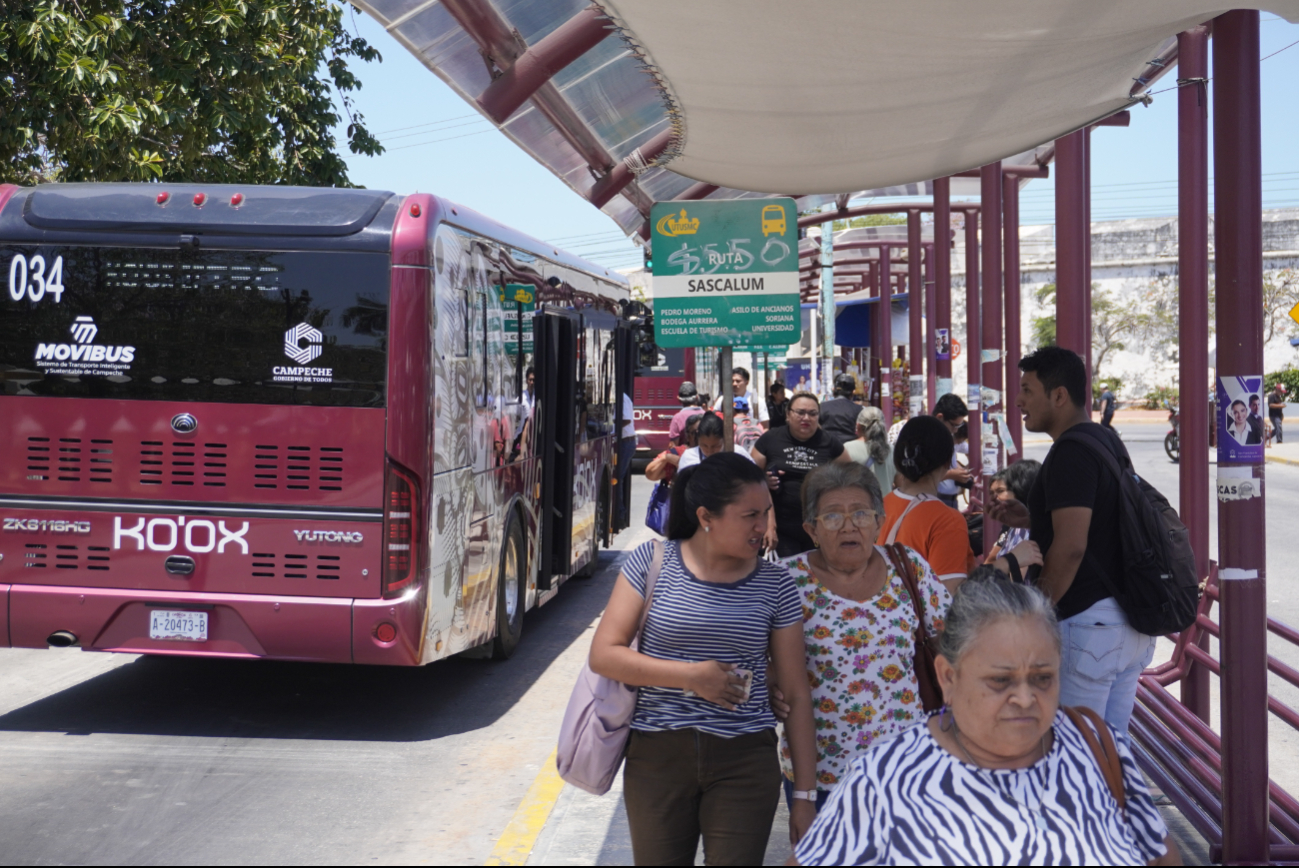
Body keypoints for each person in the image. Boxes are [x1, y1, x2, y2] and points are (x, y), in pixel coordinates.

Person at [792, 578, 1180, 866]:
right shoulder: (884, 778)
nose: (1026, 698)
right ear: (948, 677)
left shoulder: (1096, 745)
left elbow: (1159, 855)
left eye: (1043, 677)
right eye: (1000, 680)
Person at [588, 453, 819, 865]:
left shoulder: (777, 584)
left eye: (766, 513)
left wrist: (804, 795)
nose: (763, 527)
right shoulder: (652, 561)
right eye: (750, 515)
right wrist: (691, 677)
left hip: (746, 760)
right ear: (705, 516)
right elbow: (605, 655)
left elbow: (797, 694)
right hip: (657, 756)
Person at [989, 345, 1155, 732]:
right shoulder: (1103, 440)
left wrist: (1039, 610)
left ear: (1058, 395)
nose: (1018, 401)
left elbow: (1073, 546)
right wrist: (1033, 519)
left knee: (1077, 755)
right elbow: (1099, 527)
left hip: (1090, 629)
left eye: (1028, 390)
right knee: (1112, 755)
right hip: (1124, 625)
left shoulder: (1069, 454)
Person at [771, 463, 952, 804]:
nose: (849, 526)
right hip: (823, 775)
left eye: (860, 514)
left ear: (879, 522)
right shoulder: (786, 580)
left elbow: (952, 645)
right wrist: (769, 682)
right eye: (833, 517)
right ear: (811, 529)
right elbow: (752, 655)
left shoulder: (908, 566)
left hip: (907, 771)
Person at [879, 416, 1038, 590]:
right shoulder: (946, 520)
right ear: (948, 462)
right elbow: (950, 593)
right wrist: (1010, 561)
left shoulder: (880, 506)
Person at [751, 391, 853, 557]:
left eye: (812, 413)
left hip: (819, 528)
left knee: (816, 578)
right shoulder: (770, 439)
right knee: (789, 576)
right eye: (800, 412)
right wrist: (763, 480)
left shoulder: (829, 442)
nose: (806, 418)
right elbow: (749, 477)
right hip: (781, 527)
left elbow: (851, 476)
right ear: (788, 414)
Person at [986, 459, 1041, 567]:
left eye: (1001, 491)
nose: (994, 498)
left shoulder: (1023, 531)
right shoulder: (1017, 526)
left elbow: (1018, 579)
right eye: (991, 493)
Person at [676, 412, 757, 472]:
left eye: (715, 446)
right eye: (704, 446)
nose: (709, 451)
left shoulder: (738, 453)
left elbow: (754, 477)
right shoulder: (688, 457)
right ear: (698, 439)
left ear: (724, 439)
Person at [843, 406, 895, 496]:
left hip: (859, 506)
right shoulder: (892, 450)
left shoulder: (847, 448)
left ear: (858, 426)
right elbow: (900, 484)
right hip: (886, 507)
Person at [932, 394, 971, 508]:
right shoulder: (929, 439)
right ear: (940, 417)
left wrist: (959, 470)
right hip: (938, 500)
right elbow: (924, 476)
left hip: (951, 500)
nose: (955, 430)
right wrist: (952, 474)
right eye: (954, 425)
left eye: (959, 426)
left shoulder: (947, 438)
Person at [644, 413, 702, 483]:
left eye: (703, 432)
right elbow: (650, 475)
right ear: (687, 436)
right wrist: (666, 458)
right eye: (695, 433)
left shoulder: (715, 453)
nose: (700, 437)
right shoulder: (678, 453)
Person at [818, 373, 862, 444]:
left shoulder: (822, 406)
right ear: (853, 392)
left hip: (827, 447)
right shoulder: (859, 409)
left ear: (833, 390)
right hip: (849, 449)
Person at [667, 381, 704, 447]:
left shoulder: (677, 418)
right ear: (697, 397)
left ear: (678, 399)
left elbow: (673, 446)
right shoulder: (707, 415)